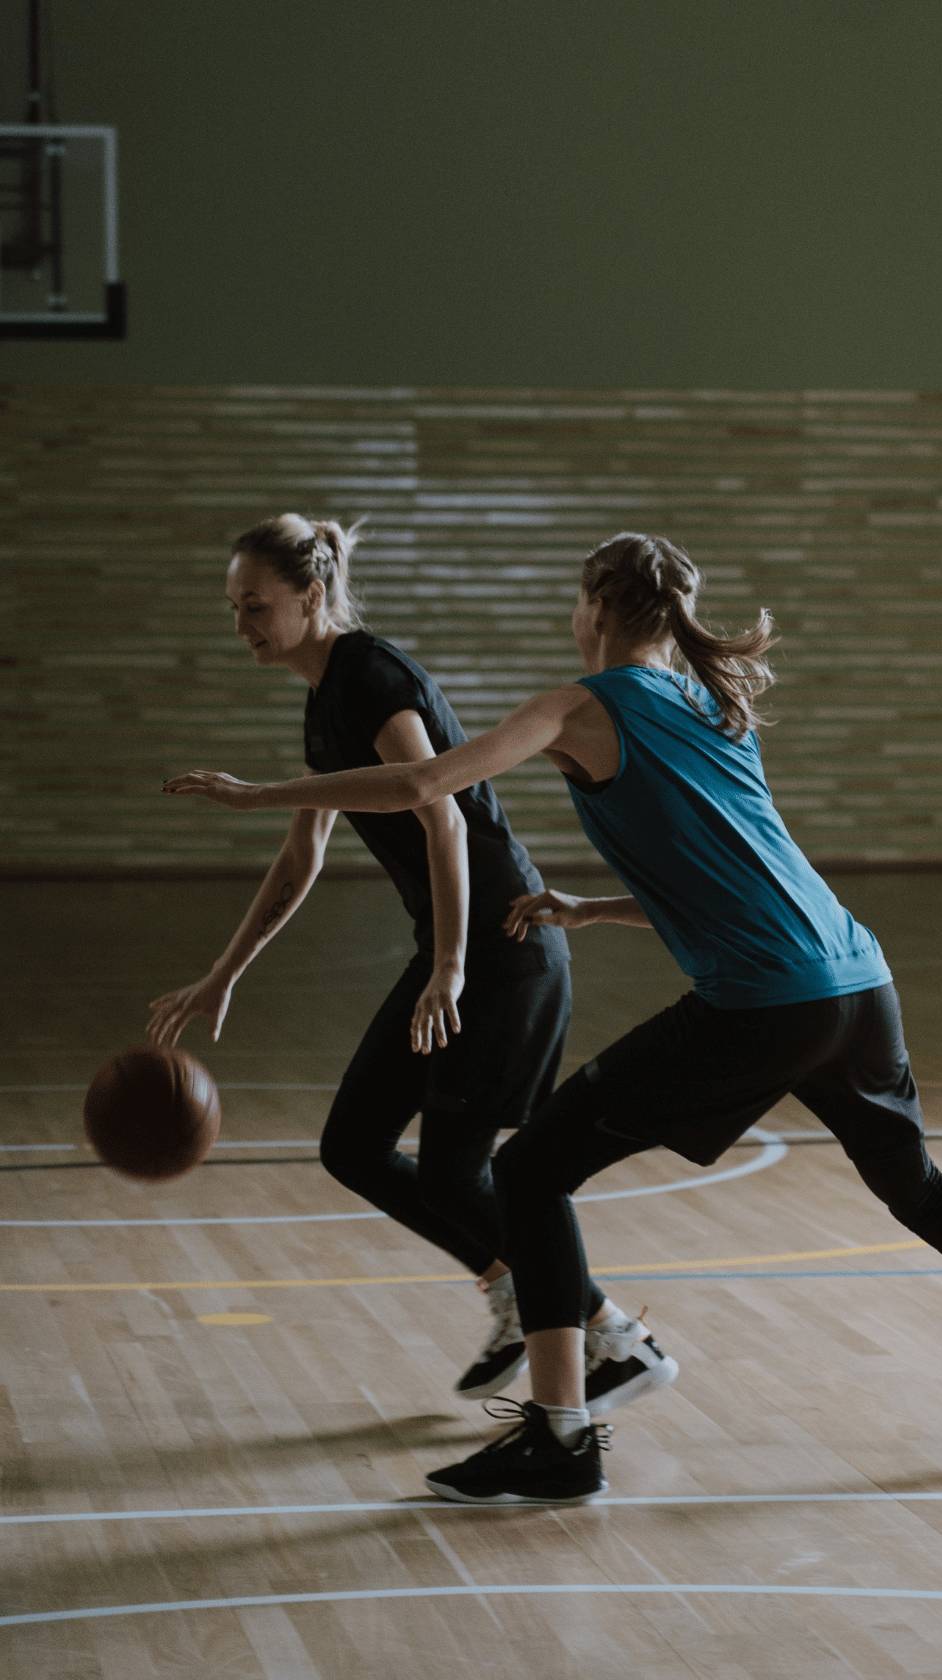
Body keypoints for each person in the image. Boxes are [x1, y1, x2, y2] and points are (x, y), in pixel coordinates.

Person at [164, 530, 942, 1505]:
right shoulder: (707, 699)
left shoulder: (576, 705)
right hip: (857, 983)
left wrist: (258, 795)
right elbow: (742, 874)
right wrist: (594, 907)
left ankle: (560, 1435)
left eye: (574, 601)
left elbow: (427, 782)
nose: (570, 618)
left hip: (764, 1006)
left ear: (597, 611)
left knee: (526, 1169)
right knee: (918, 1186)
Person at [150, 514, 663, 1409]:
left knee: (457, 1171)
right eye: (233, 608)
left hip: (504, 947)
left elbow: (443, 812)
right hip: (457, 950)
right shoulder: (323, 698)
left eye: (256, 605)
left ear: (311, 598)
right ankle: (518, 1290)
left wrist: (454, 963)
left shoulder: (373, 676)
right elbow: (303, 854)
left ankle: (613, 1337)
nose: (241, 625)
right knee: (352, 1145)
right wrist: (226, 970)